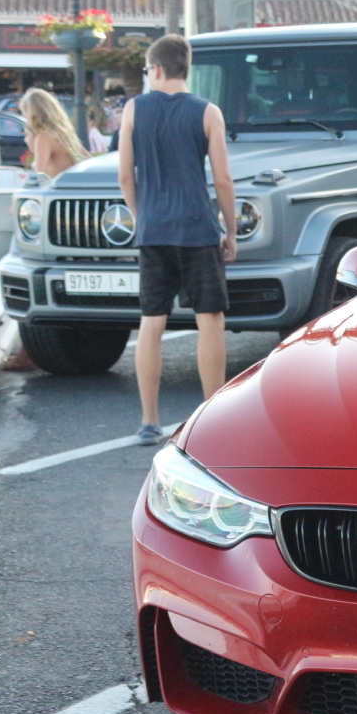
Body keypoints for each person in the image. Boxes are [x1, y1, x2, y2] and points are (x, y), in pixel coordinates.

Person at [119, 34, 238, 444]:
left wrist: (142, 217)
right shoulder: (208, 112)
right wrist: (231, 230)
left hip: (154, 230)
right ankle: (212, 416)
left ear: (155, 70)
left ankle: (149, 421)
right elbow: (222, 179)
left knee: (152, 323)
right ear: (185, 68)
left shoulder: (134, 109)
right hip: (197, 228)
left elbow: (124, 176)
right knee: (210, 320)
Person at [2, 88, 92, 371]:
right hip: (69, 226)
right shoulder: (66, 136)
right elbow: (88, 163)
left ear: (33, 112)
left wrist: (17, 209)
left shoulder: (42, 137)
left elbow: (38, 179)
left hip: (46, 223)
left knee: (22, 275)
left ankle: (28, 352)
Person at [20, 87, 89, 178]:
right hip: (70, 187)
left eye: (24, 113)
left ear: (31, 114)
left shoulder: (44, 137)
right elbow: (88, 160)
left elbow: (40, 176)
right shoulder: (64, 134)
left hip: (56, 189)